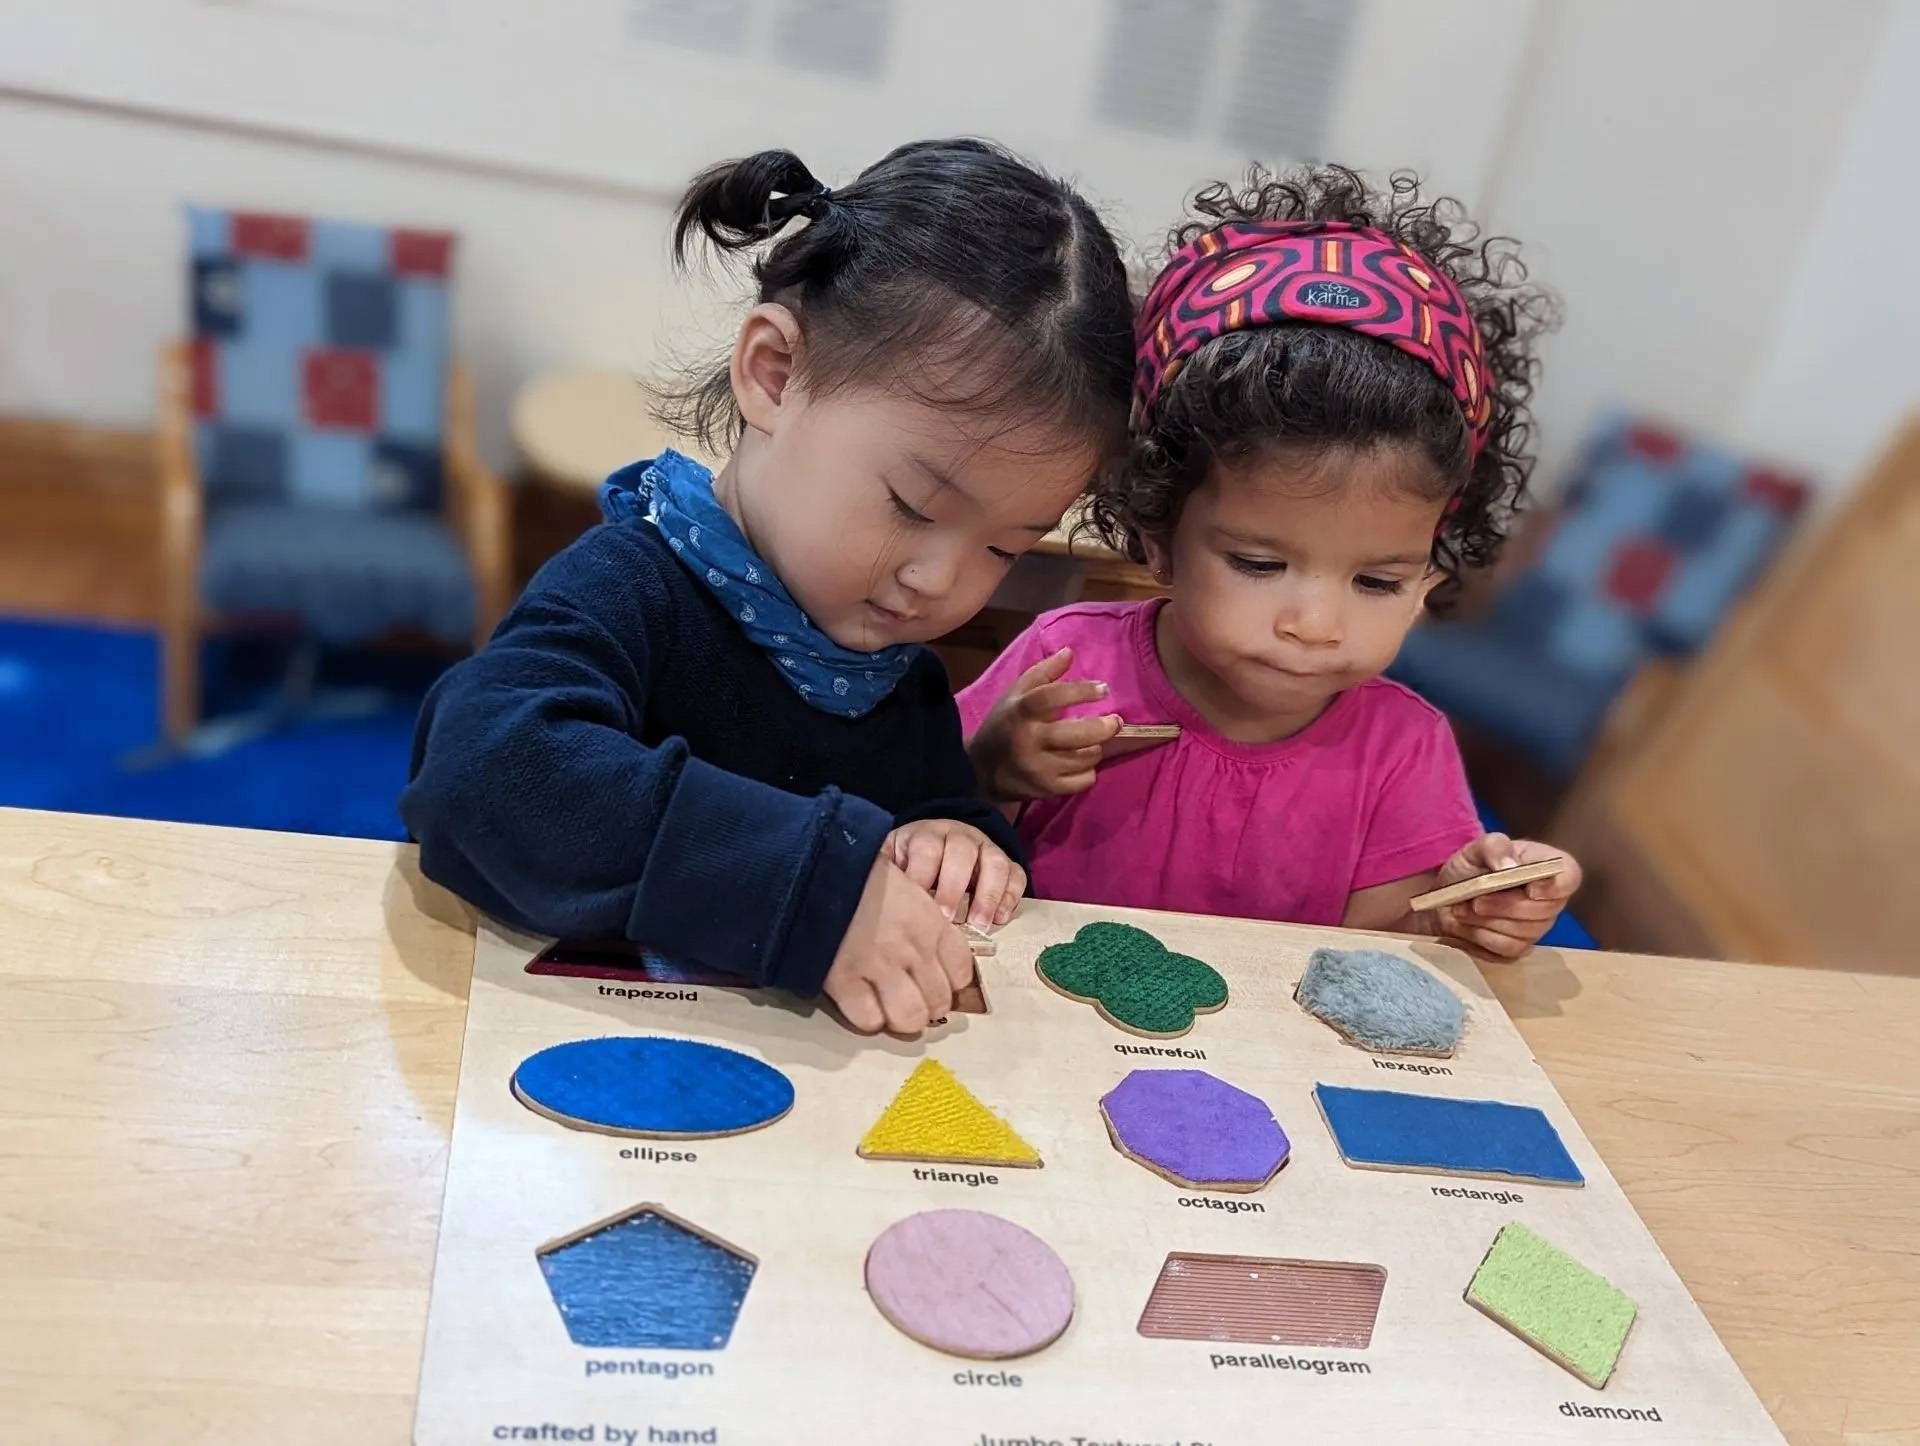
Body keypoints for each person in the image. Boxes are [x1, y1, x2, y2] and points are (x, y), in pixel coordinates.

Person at [402, 139, 1134, 1030]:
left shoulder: (895, 678)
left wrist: (957, 841)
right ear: (775, 375)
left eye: (1004, 551)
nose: (940, 581)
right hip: (563, 1051)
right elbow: (483, 775)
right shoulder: (631, 586)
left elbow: (930, 805)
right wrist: (813, 886)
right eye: (911, 504)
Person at [960, 165, 1580, 959]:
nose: (1315, 625)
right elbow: (923, 819)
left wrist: (1466, 911)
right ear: (1158, 535)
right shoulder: (1068, 663)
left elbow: (1385, 949)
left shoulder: (1402, 749)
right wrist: (991, 770)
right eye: (1259, 564)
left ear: (1427, 583)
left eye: (1377, 581)